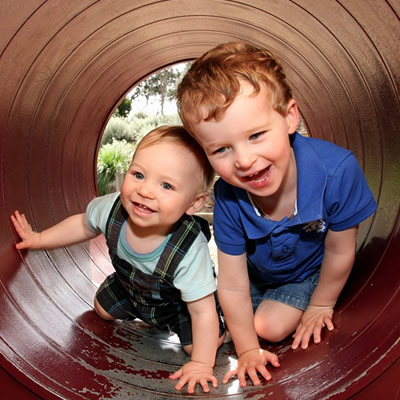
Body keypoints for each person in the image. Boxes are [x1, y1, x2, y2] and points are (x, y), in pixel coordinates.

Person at [176, 41, 377, 388]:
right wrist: (248, 351)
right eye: (221, 149)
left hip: (307, 273)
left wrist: (320, 305)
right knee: (204, 328)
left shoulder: (337, 171)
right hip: (257, 276)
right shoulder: (229, 195)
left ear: (289, 117)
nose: (243, 160)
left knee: (267, 326)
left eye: (255, 135)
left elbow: (340, 249)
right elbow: (234, 283)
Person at [11, 125, 226, 394]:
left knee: (196, 345)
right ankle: (143, 314)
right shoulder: (112, 207)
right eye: (138, 175)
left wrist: (202, 364)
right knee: (100, 309)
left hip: (180, 305)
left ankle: (221, 330)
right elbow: (81, 225)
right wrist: (39, 238)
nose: (145, 191)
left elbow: (201, 311)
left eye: (166, 185)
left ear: (195, 203)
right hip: (130, 288)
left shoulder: (188, 250)